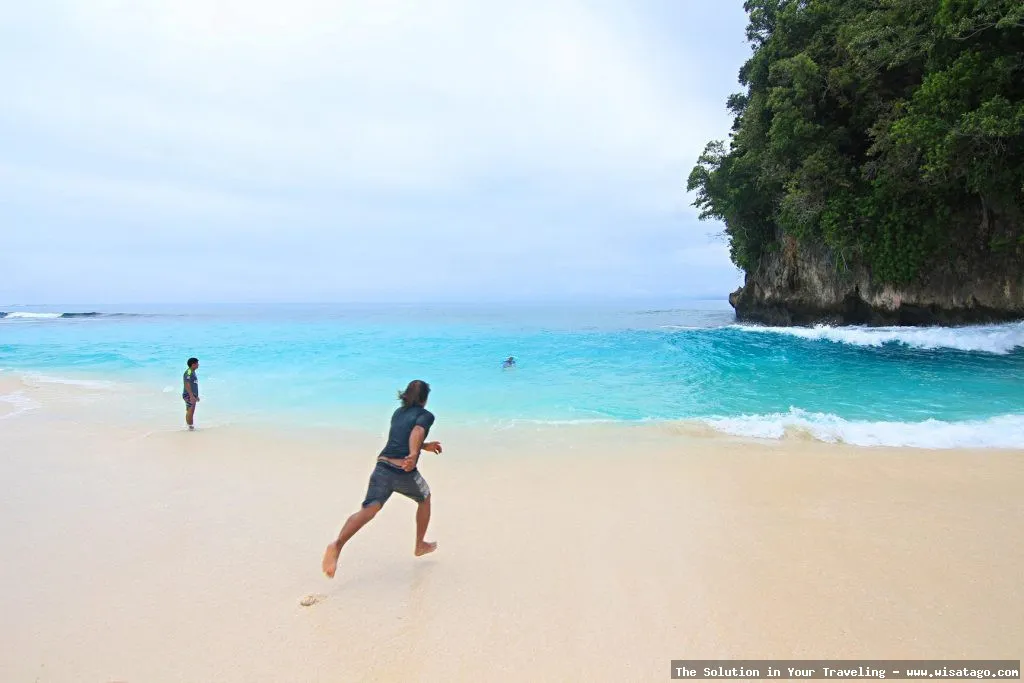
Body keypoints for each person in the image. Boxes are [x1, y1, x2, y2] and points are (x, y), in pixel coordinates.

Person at [322, 379, 443, 578]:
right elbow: (417, 431)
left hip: (382, 467)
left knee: (368, 510)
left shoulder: (398, 413)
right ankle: (420, 544)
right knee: (425, 497)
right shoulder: (425, 415)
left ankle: (336, 546)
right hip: (402, 471)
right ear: (425, 399)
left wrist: (424, 446)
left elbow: (402, 435)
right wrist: (413, 454)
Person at [182, 357, 200, 430]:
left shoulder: (192, 371)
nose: (198, 365)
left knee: (189, 410)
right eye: (197, 363)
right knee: (191, 410)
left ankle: (189, 426)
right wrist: (191, 396)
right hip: (189, 395)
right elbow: (186, 383)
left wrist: (196, 396)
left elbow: (193, 384)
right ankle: (190, 427)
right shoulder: (189, 372)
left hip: (192, 395)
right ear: (193, 364)